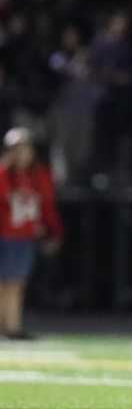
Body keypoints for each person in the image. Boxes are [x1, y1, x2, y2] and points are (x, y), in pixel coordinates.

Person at [0, 128, 63, 339]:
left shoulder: (39, 176)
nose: (21, 154)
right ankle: (10, 325)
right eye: (16, 149)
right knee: (6, 282)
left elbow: (47, 206)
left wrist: (53, 232)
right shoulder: (3, 174)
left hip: (23, 236)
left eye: (25, 149)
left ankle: (11, 325)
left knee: (16, 282)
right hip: (4, 234)